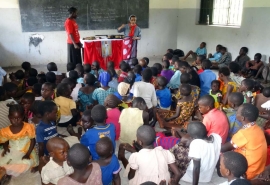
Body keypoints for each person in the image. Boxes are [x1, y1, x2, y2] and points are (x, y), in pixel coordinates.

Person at [221, 104, 267, 180]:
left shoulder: (243, 134)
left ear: (242, 118)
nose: (236, 113)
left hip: (248, 172)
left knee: (223, 158)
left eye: (238, 112)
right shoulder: (258, 128)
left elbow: (223, 148)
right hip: (259, 168)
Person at [0, 104, 38, 176]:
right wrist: (5, 148)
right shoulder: (5, 131)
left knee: (26, 163)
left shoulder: (28, 127)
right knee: (3, 160)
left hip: (26, 150)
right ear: (9, 117)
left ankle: (12, 169)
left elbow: (33, 141)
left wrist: (28, 154)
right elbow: (5, 141)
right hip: (12, 149)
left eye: (19, 118)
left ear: (23, 117)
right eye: (13, 118)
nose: (16, 120)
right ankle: (9, 168)